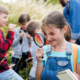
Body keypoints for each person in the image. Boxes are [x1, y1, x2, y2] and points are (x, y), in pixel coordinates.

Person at [35, 11, 80, 80]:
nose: (48, 38)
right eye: (45, 33)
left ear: (64, 29)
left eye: (52, 33)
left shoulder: (76, 50)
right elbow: (38, 78)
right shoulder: (44, 50)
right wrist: (39, 61)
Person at [0, 4, 23, 80]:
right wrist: (11, 32)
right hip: (2, 69)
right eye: (4, 17)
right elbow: (3, 47)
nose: (7, 20)